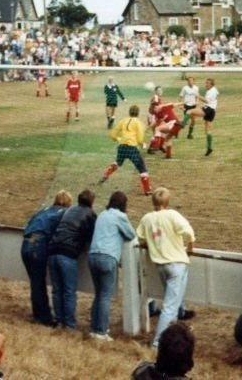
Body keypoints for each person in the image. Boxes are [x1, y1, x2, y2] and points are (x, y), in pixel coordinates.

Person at [136, 187, 195, 347]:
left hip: (161, 265)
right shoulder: (172, 215)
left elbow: (140, 239)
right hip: (176, 264)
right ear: (167, 202)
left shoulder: (147, 218)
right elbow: (188, 232)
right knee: (170, 306)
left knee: (173, 304)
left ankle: (173, 339)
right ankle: (158, 343)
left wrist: (151, 244)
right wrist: (190, 246)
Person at [87, 191, 135, 341]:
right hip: (108, 257)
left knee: (99, 293)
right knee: (105, 296)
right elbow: (131, 234)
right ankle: (101, 331)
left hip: (93, 255)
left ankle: (94, 328)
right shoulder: (120, 217)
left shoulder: (102, 214)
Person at [47, 189, 97, 329]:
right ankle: (69, 324)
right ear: (92, 202)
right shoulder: (90, 215)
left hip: (53, 250)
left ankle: (59, 319)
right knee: (69, 291)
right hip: (68, 253)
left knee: (57, 290)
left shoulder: (69, 210)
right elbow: (91, 236)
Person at [21, 190, 72, 326]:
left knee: (35, 282)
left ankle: (39, 312)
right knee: (38, 283)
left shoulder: (43, 210)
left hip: (26, 243)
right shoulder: (63, 214)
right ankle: (43, 317)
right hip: (39, 244)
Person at [100, 105, 153, 196]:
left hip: (122, 147)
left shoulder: (123, 120)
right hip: (132, 147)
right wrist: (143, 144)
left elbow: (112, 134)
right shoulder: (138, 123)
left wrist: (118, 139)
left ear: (129, 112)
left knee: (117, 162)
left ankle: (106, 175)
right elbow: (140, 138)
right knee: (142, 168)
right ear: (138, 113)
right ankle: (147, 190)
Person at [183, 78, 218, 156]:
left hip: (208, 109)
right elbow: (216, 95)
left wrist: (197, 95)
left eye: (207, 83)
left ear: (211, 84)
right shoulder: (214, 90)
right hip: (212, 111)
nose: (206, 84)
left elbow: (206, 101)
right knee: (207, 131)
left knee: (189, 111)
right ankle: (209, 148)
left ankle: (182, 124)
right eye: (205, 83)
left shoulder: (211, 91)